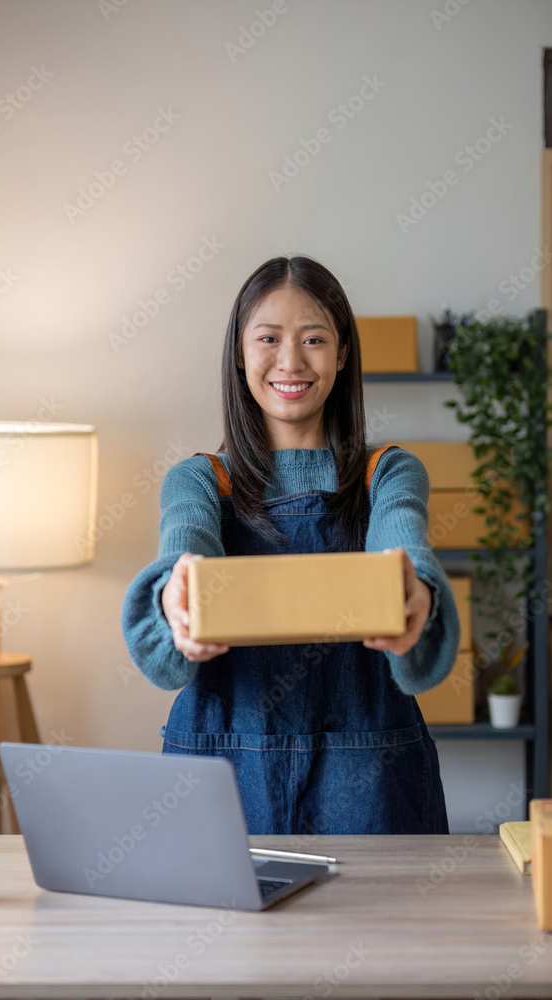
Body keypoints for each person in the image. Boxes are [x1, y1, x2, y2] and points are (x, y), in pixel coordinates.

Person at [121, 255, 461, 836]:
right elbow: (184, 549)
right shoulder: (198, 480)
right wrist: (176, 597)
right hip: (221, 773)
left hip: (372, 778)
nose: (291, 362)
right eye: (269, 339)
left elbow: (401, 544)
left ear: (343, 352)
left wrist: (415, 593)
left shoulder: (390, 473)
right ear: (239, 353)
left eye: (314, 340)